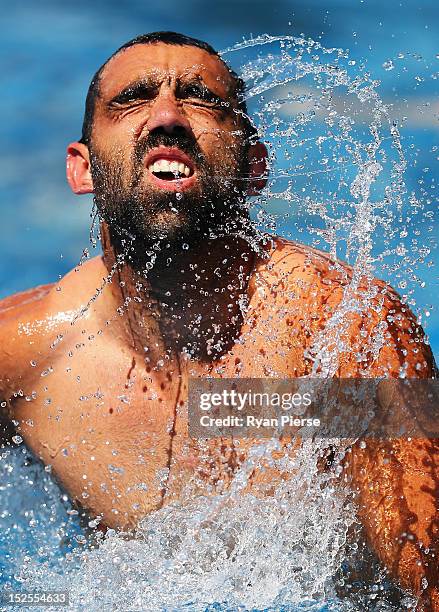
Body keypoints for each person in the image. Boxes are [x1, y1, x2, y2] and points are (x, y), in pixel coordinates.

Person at [0, 31, 437, 608]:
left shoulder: (346, 332)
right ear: (80, 169)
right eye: (132, 98)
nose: (166, 117)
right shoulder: (25, 354)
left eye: (200, 99)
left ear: (254, 166)